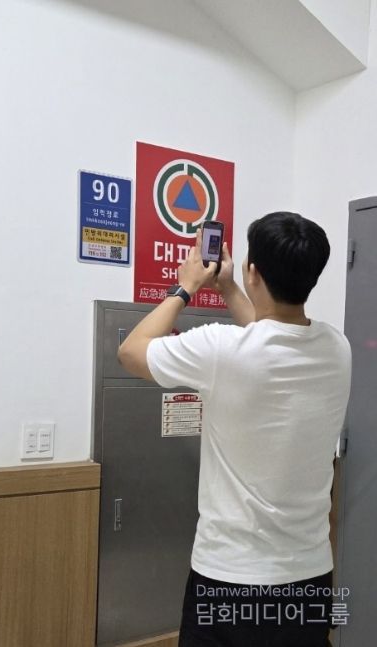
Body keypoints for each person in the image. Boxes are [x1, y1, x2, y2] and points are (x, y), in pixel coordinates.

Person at [118, 212, 351, 647]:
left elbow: (130, 352)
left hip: (229, 578)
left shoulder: (221, 349)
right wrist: (226, 286)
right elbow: (269, 336)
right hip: (310, 578)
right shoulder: (337, 349)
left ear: (253, 271)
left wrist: (186, 286)